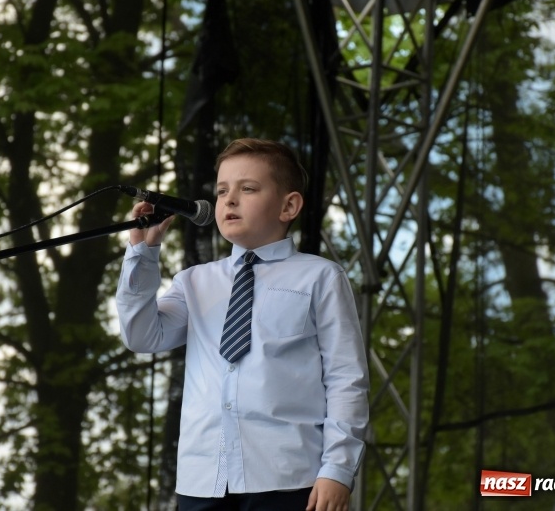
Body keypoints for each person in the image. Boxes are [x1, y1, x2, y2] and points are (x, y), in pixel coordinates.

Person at [116, 138, 369, 511]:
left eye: (247, 189)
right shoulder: (194, 281)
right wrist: (143, 253)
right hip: (202, 480)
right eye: (221, 192)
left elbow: (346, 379)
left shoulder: (320, 277)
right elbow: (141, 335)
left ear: (289, 206)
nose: (229, 200)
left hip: (289, 478)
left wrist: (337, 469)